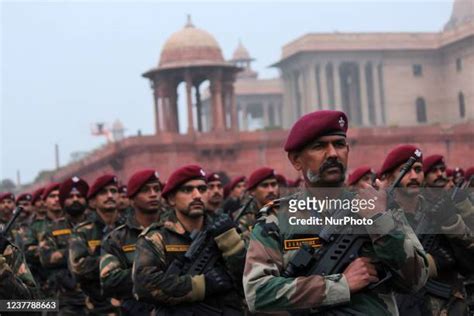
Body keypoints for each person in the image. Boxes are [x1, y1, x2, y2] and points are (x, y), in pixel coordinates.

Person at [243, 110, 429, 314]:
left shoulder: (378, 205)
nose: (333, 154)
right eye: (319, 146)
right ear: (296, 160)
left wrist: (379, 221)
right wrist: (340, 286)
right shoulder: (276, 217)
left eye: (339, 145)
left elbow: (416, 280)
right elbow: (257, 293)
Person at [132, 165, 246, 315]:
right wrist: (201, 285)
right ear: (171, 199)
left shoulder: (224, 229)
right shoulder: (156, 237)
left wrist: (233, 245)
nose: (197, 195)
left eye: (202, 189)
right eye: (187, 190)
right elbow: (143, 285)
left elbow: (249, 277)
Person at [382, 148, 474, 315]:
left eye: (418, 169)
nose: (414, 176)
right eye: (405, 170)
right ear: (388, 178)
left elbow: (469, 262)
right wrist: (434, 262)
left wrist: (452, 224)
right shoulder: (382, 221)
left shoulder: (438, 212)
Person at [100, 169, 161, 315]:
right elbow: (109, 281)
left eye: (157, 189)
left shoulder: (176, 230)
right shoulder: (116, 238)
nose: (153, 194)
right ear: (132, 198)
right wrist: (152, 272)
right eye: (145, 190)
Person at [68, 174, 121, 315]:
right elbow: (79, 267)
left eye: (114, 191)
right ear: (92, 202)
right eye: (103, 192)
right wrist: (117, 262)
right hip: (97, 306)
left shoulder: (130, 228)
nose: (110, 196)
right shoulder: (83, 231)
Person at [39, 178, 88, 314]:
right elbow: (46, 258)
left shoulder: (98, 226)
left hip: (97, 299)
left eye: (79, 196)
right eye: (70, 196)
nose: (75, 199)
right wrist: (80, 252)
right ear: (63, 201)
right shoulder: (52, 228)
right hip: (65, 299)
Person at [235, 167, 279, 241]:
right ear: (252, 191)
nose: (271, 190)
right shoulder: (245, 218)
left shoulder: (287, 212)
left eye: (274, 184)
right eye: (265, 186)